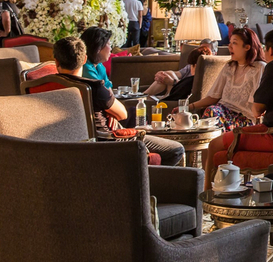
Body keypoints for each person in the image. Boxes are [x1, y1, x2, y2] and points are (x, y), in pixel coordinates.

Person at [49, 37, 184, 166]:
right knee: (176, 150)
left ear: (56, 61)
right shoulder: (94, 88)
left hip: (57, 147)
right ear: (84, 59)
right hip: (106, 145)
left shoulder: (42, 87)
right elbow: (123, 114)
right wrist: (109, 113)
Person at [189, 28, 266, 130]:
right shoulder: (229, 67)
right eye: (230, 42)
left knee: (213, 113)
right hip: (221, 111)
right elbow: (214, 96)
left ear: (247, 47)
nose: (229, 46)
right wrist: (189, 107)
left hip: (244, 118)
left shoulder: (259, 68)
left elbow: (259, 105)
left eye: (234, 43)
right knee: (211, 112)